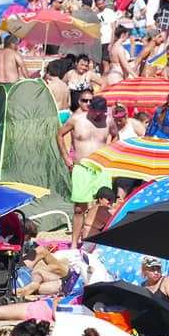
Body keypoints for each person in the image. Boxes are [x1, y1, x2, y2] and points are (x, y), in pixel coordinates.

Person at [57, 96, 117, 248]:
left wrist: (110, 155)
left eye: (101, 112)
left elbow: (116, 136)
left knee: (104, 204)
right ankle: (73, 243)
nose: (97, 115)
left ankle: (98, 242)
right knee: (79, 208)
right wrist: (66, 157)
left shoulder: (108, 121)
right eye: (95, 111)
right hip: (82, 167)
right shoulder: (77, 119)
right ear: (90, 108)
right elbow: (59, 134)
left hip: (101, 167)